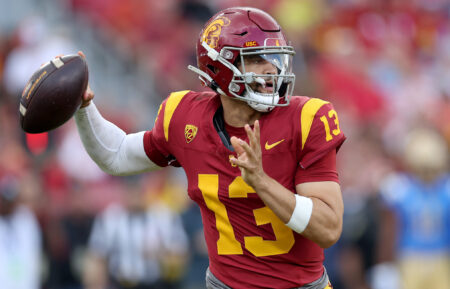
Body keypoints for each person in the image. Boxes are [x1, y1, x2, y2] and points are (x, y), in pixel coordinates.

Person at [74, 7, 345, 289]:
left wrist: (262, 183)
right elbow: (116, 155)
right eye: (255, 59)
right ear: (219, 68)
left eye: (275, 58)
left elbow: (328, 228)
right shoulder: (184, 118)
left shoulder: (307, 118)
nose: (271, 68)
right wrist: (83, 108)